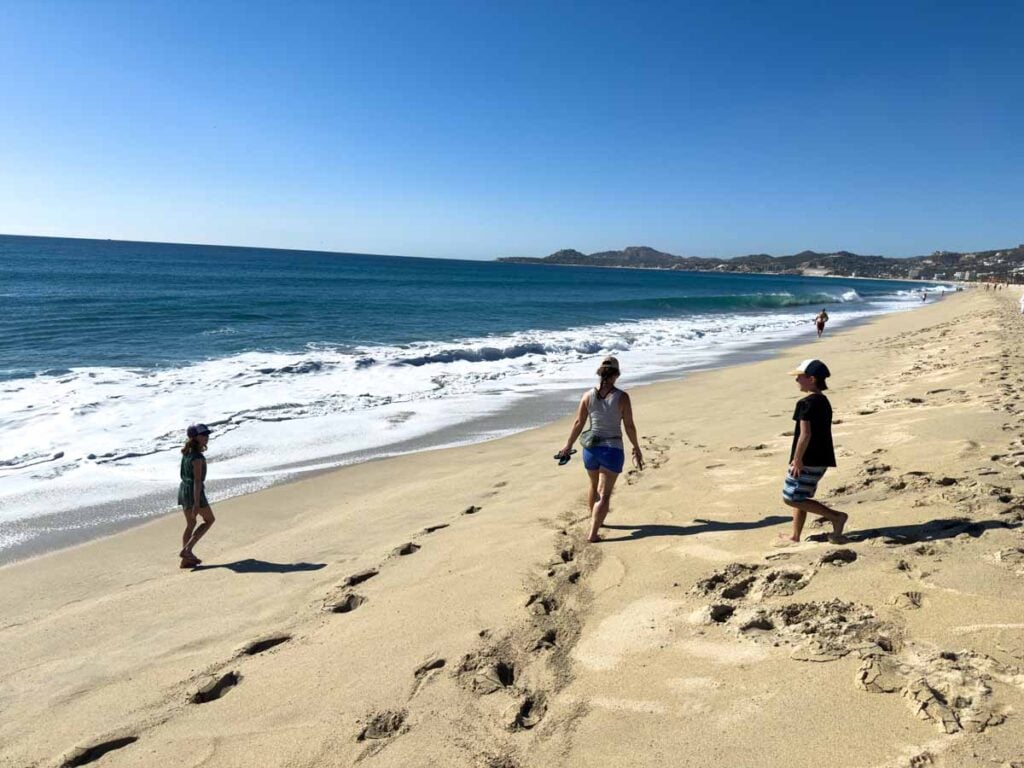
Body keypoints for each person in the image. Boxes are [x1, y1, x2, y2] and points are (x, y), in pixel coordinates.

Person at [556, 356, 644, 543]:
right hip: (612, 450)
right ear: (616, 374)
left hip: (590, 450)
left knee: (593, 485)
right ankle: (593, 533)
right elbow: (629, 426)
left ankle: (595, 519)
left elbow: (579, 423)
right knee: (604, 494)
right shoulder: (622, 397)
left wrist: (568, 445)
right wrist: (636, 447)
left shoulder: (587, 395)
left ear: (600, 373)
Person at [781, 359, 847, 543]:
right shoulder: (824, 401)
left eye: (799, 377)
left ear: (811, 379)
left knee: (791, 498)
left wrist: (797, 459)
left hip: (807, 459)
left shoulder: (805, 403)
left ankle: (836, 517)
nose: (796, 381)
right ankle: (795, 535)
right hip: (822, 457)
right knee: (800, 496)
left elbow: (805, 434)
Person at [178, 423, 215, 568]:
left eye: (207, 434)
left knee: (191, 524)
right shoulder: (198, 457)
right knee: (209, 520)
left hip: (184, 490)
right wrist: (196, 503)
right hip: (194, 491)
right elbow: (198, 480)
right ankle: (187, 550)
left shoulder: (186, 453)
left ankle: (186, 560)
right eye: (203, 435)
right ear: (195, 437)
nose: (206, 437)